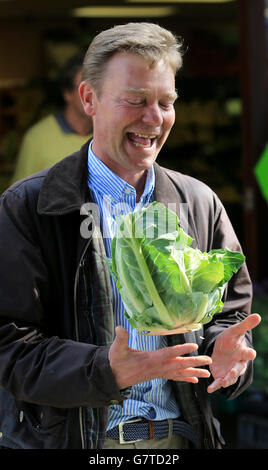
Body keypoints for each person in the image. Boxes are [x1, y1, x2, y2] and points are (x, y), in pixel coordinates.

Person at [0, 22, 260, 450]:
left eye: (166, 102)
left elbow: (230, 316)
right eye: (135, 100)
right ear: (89, 99)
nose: (154, 118)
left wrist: (226, 357)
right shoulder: (29, 207)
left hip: (181, 441)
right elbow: (9, 344)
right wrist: (107, 369)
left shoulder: (199, 203)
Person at [11, 54, 93, 183]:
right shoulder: (36, 138)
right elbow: (20, 198)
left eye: (96, 87)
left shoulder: (109, 133)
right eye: (84, 88)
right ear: (67, 94)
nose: (91, 95)